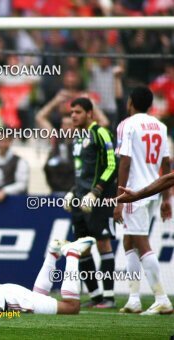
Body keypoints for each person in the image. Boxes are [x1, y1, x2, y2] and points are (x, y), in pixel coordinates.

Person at [114, 86, 173, 315]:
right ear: (149, 105)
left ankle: (161, 297)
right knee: (129, 242)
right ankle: (134, 299)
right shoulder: (161, 126)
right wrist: (166, 198)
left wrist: (119, 200)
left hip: (134, 192)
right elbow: (166, 164)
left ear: (130, 102)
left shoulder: (127, 125)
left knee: (140, 243)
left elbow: (125, 162)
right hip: (154, 191)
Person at [63, 97, 117, 308]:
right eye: (71, 112)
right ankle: (95, 296)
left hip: (99, 200)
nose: (73, 116)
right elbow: (81, 173)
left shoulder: (101, 133)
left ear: (89, 114)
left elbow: (112, 166)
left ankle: (109, 297)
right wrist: (72, 191)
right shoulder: (77, 138)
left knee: (103, 243)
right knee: (82, 247)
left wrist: (96, 192)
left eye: (77, 112)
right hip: (80, 200)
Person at [0, 130, 29, 202]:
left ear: (10, 142)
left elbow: (22, 185)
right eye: (0, 141)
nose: (2, 144)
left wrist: (5, 191)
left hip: (16, 202)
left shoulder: (19, 161)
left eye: (5, 141)